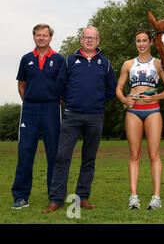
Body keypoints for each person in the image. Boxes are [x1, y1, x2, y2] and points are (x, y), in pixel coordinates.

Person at [43, 26, 117, 213]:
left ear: (98, 41)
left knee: (89, 159)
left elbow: (111, 88)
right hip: (72, 115)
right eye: (86, 37)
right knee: (62, 157)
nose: (89, 40)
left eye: (93, 38)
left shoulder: (105, 63)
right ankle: (57, 200)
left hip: (95, 116)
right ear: (81, 39)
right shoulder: (70, 61)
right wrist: (72, 101)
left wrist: (98, 102)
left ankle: (82, 197)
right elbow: (59, 86)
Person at [116, 29, 164, 210]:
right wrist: (125, 100)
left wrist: (156, 98)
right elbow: (118, 88)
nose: (141, 44)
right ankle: (133, 197)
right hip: (133, 111)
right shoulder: (128, 64)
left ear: (150, 43)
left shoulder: (158, 63)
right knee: (134, 155)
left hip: (152, 110)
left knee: (154, 155)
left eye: (144, 41)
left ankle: (156, 197)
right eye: (138, 41)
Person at [11, 24, 65, 209]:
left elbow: (64, 86)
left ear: (50, 38)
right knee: (25, 152)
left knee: (54, 154)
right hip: (30, 110)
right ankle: (20, 196)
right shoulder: (26, 59)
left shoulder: (59, 59)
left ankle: (55, 196)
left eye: (45, 35)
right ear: (34, 37)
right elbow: (21, 85)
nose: (41, 38)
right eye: (38, 35)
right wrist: (30, 102)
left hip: (51, 109)